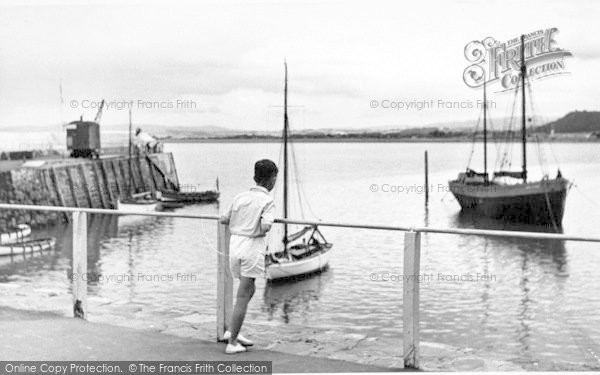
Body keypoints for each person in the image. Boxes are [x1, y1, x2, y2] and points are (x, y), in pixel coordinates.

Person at [219, 159, 278, 354]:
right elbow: (265, 226)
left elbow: (224, 219)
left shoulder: (240, 197)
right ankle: (232, 342)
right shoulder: (268, 201)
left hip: (235, 245)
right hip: (252, 248)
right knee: (243, 295)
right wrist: (257, 223)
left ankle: (233, 330)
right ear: (272, 180)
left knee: (248, 290)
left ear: (255, 178)